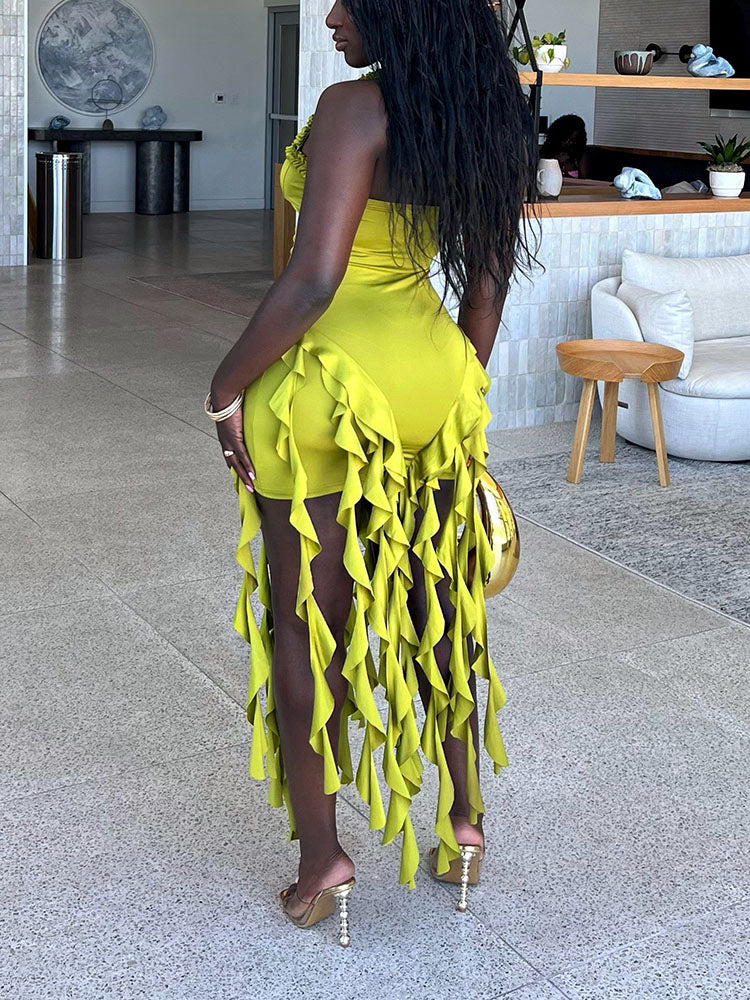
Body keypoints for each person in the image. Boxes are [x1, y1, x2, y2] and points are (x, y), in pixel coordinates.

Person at [207, 0, 536, 946]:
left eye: (351, 0)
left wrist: (224, 389)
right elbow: (487, 285)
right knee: (442, 606)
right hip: (435, 374)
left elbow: (315, 280)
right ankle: (464, 827)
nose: (333, 16)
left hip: (331, 385)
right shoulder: (485, 108)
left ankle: (323, 864)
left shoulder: (355, 108)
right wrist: (454, 394)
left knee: (308, 621)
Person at [540, 113, 589, 178]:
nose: (570, 142)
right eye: (567, 138)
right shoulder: (547, 153)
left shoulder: (579, 155)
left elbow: (583, 179)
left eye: (574, 139)